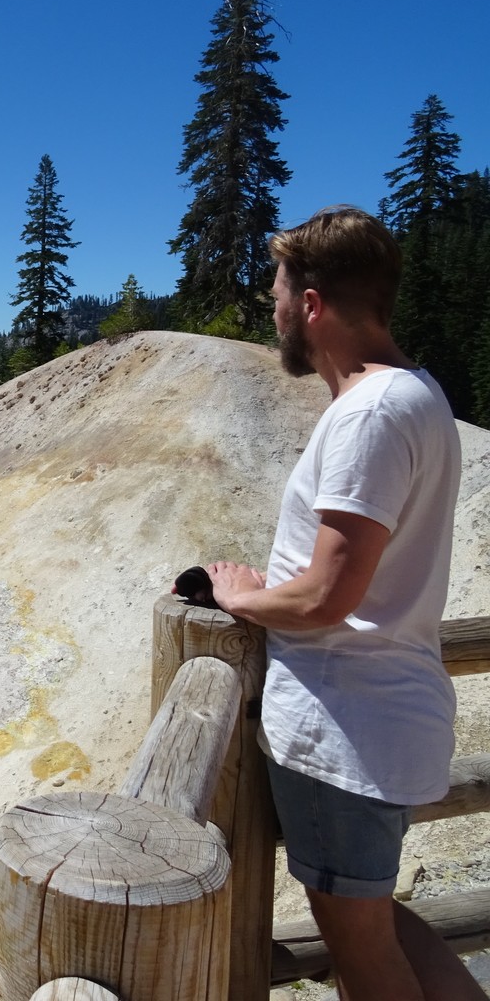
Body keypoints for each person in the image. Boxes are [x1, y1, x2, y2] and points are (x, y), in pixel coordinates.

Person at [207, 206, 485, 1001]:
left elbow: (331, 593)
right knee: (380, 922)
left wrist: (245, 599)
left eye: (279, 291)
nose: (273, 306)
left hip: (344, 727)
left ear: (314, 305)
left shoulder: (367, 413)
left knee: (362, 952)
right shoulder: (414, 394)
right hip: (382, 720)